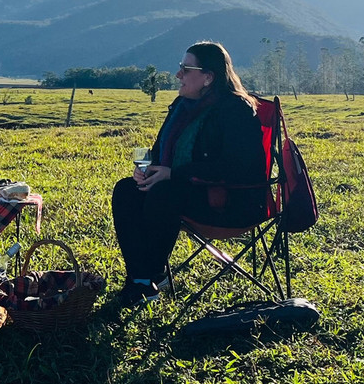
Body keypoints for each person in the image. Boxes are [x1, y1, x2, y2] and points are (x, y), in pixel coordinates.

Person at [110, 41, 268, 306]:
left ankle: (148, 276)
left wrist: (174, 174)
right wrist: (147, 169)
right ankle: (142, 279)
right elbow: (159, 149)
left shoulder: (236, 110)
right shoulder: (181, 105)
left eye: (186, 68)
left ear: (208, 77)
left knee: (163, 192)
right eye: (179, 67)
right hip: (182, 191)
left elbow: (237, 166)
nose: (178, 75)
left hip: (228, 202)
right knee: (126, 189)